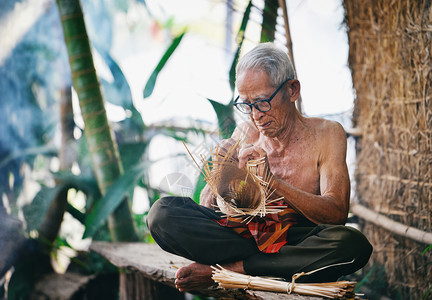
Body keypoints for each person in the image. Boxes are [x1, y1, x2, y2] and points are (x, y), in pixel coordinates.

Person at [147, 42, 372, 292]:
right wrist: (220, 175)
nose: (255, 114)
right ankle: (265, 266)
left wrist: (273, 183)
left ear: (292, 90)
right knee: (162, 214)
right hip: (244, 236)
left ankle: (232, 269)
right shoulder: (245, 132)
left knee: (352, 245)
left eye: (262, 102)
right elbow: (207, 210)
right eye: (246, 104)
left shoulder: (327, 134)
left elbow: (337, 214)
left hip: (295, 241)